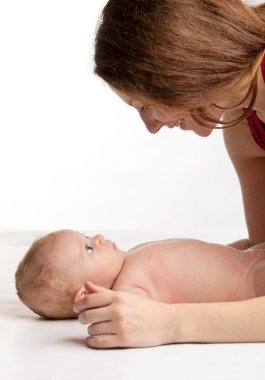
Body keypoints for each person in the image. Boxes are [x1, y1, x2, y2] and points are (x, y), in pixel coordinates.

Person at [73, 0, 265, 348]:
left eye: (144, 104)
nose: (151, 126)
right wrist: (162, 272)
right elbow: (260, 253)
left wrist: (169, 324)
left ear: (179, 68)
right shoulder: (246, 125)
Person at [15, 229, 265, 323]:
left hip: (251, 254)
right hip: (253, 281)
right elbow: (131, 314)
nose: (98, 237)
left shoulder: (131, 257)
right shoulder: (128, 290)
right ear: (87, 294)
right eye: (89, 248)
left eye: (87, 235)